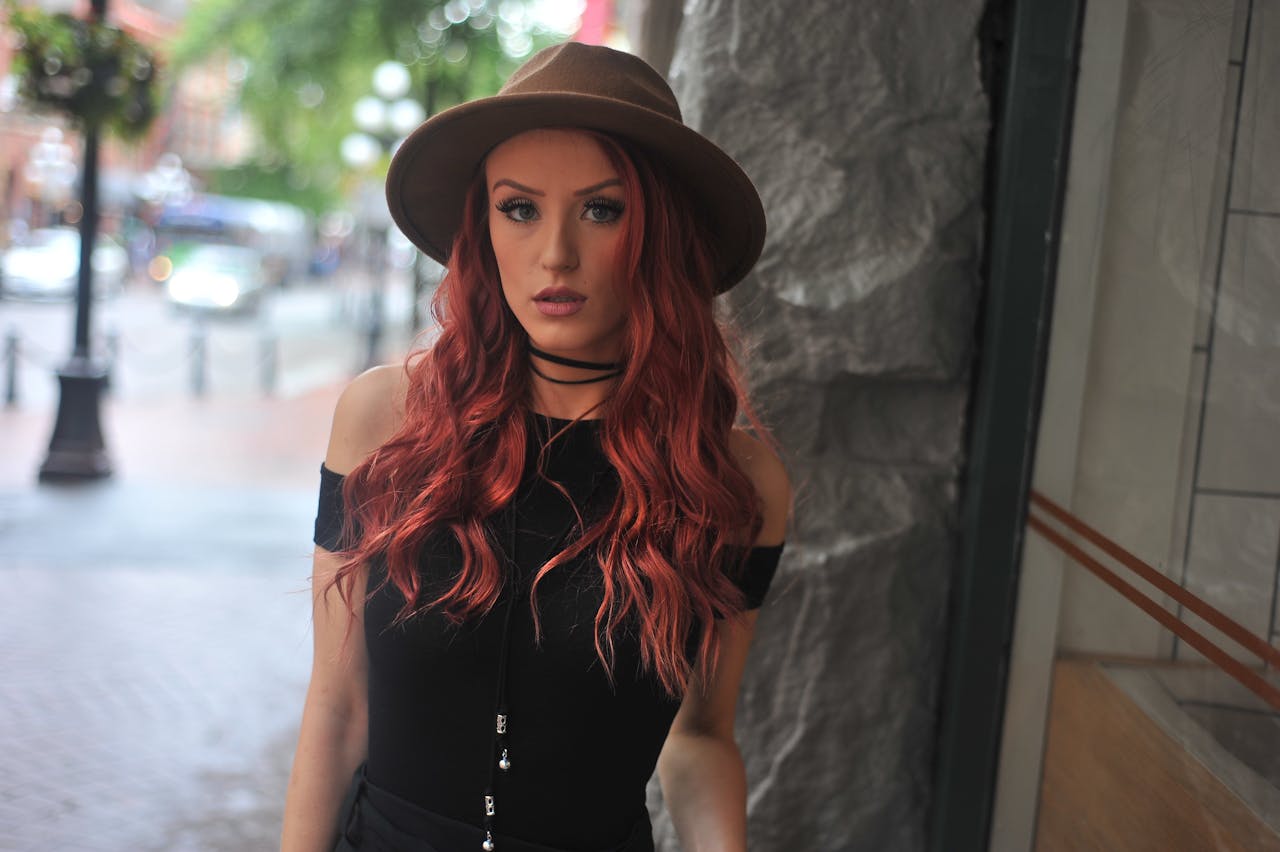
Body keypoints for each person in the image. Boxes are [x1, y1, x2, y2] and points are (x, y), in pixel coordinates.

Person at [281, 42, 791, 852]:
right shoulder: (386, 421)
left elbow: (698, 736)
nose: (554, 253)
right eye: (519, 208)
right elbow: (340, 707)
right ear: (483, 226)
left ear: (661, 233)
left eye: (601, 209)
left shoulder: (733, 481)